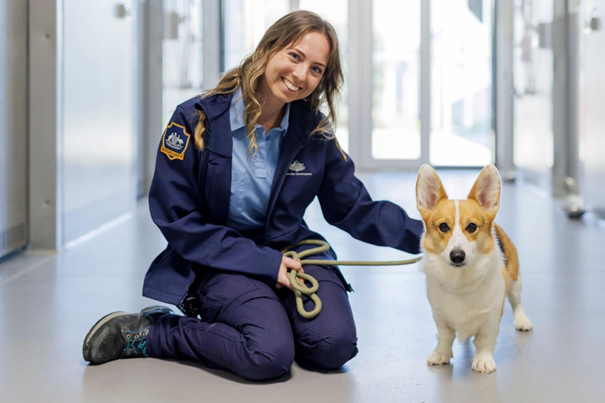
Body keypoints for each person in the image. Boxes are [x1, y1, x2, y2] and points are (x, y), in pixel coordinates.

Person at [82, 10, 423, 381]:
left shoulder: (314, 133)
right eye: (295, 56)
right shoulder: (194, 120)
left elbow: (354, 208)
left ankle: (269, 312)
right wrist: (264, 264)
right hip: (219, 259)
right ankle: (156, 332)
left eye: (316, 69)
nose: (301, 75)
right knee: (267, 355)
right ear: (268, 49)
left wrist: (437, 238)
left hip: (292, 251)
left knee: (333, 346)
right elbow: (178, 220)